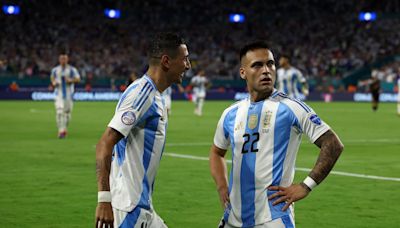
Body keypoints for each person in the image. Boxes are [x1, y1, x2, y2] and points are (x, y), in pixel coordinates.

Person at [209, 41, 344, 228]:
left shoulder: (292, 108)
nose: (266, 70)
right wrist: (222, 186)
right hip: (232, 217)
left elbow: (333, 143)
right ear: (243, 73)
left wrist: (306, 186)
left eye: (270, 64)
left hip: (272, 219)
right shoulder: (231, 113)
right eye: (257, 65)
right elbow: (216, 152)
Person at [95, 32, 191, 228]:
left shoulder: (154, 94)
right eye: (185, 59)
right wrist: (104, 199)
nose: (188, 65)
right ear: (166, 61)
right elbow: (105, 143)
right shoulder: (142, 93)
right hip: (129, 207)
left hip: (141, 204)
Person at [50, 53, 80, 138]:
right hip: (58, 94)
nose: (63, 60)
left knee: (67, 113)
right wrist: (53, 83)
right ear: (59, 60)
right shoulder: (55, 70)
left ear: (67, 59)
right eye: (61, 59)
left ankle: (64, 128)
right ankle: (61, 131)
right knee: (59, 111)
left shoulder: (72, 70)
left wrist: (71, 80)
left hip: (69, 95)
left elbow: (78, 79)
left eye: (64, 59)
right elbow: (52, 78)